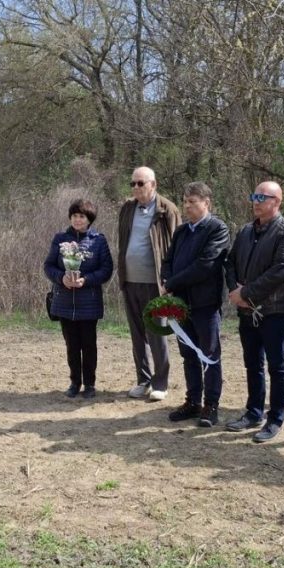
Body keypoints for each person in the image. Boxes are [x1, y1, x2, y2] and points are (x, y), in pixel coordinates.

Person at [225, 181, 284, 442]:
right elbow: (230, 262)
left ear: (277, 202)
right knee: (252, 363)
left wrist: (246, 293)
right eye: (254, 196)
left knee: (277, 366)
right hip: (247, 311)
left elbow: (280, 271)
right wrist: (235, 290)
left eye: (262, 197)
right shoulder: (246, 231)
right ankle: (253, 412)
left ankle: (275, 418)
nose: (255, 202)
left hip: (274, 310)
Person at [160, 182, 230, 427]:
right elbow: (167, 260)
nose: (187, 206)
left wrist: (172, 283)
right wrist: (166, 279)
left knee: (209, 355)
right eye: (185, 201)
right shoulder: (182, 231)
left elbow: (205, 265)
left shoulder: (217, 229)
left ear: (206, 203)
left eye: (192, 202)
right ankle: (193, 402)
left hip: (205, 304)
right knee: (188, 354)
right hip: (181, 304)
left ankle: (211, 405)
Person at [117, 166, 181, 401]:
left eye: (140, 183)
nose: (135, 187)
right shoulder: (127, 208)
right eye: (132, 183)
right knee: (137, 334)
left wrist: (171, 281)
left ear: (153, 184)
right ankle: (143, 380)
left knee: (156, 332)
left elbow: (177, 247)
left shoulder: (167, 210)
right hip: (130, 280)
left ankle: (160, 383)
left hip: (156, 284)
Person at [44, 200, 114, 399]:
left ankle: (90, 384)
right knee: (72, 346)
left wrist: (86, 280)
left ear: (89, 219)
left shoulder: (98, 240)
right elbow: (48, 266)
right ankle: (75, 382)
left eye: (82, 216)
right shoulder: (60, 239)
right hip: (64, 302)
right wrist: (61, 278)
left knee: (89, 345)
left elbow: (106, 269)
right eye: (74, 216)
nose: (77, 220)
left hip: (88, 303)